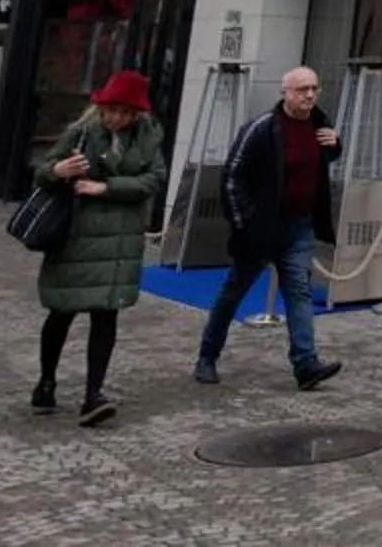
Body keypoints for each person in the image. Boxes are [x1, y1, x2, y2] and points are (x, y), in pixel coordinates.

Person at [29, 69, 167, 427]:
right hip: (77, 236)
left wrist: (106, 188)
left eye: (124, 112)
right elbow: (41, 171)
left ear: (136, 113)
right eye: (111, 110)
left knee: (107, 313)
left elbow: (154, 179)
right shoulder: (82, 132)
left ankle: (94, 394)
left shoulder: (149, 136)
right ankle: (46, 381)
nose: (116, 118)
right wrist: (59, 170)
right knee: (62, 310)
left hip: (120, 240)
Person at [194, 66, 344, 391]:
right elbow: (233, 175)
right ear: (285, 92)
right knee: (235, 290)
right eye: (302, 89)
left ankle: (306, 364)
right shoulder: (263, 128)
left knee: (299, 291)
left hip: (299, 226)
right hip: (261, 227)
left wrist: (335, 145)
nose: (309, 95)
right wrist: (244, 222)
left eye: (314, 88)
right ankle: (207, 355)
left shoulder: (320, 124)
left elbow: (324, 158)